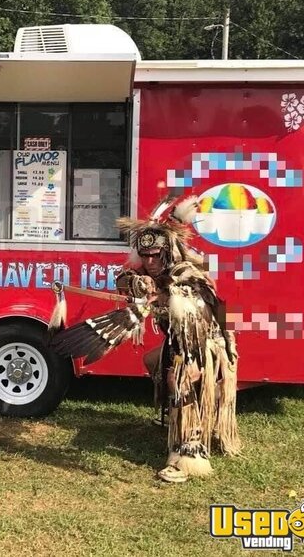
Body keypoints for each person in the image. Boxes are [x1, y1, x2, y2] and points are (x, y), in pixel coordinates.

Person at [48, 196, 241, 483]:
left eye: (155, 255)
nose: (150, 261)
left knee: (183, 379)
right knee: (153, 362)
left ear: (167, 252)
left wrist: (223, 342)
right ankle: (171, 420)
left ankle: (189, 453)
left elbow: (214, 308)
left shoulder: (187, 277)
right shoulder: (150, 272)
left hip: (200, 344)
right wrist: (140, 284)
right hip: (178, 339)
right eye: (145, 255)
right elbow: (124, 280)